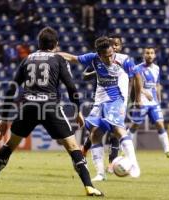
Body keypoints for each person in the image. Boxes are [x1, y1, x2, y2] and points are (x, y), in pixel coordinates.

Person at [0, 27, 103, 197]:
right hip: (50, 107)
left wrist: (4, 118)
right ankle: (89, 186)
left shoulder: (28, 59)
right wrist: (77, 111)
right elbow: (71, 87)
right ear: (56, 45)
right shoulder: (58, 59)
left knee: (9, 146)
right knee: (73, 147)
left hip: (28, 107)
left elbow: (11, 88)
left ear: (39, 44)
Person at [58, 36, 142, 181]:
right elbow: (72, 58)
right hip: (100, 101)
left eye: (111, 55)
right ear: (99, 54)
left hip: (117, 99)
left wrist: (138, 98)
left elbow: (138, 76)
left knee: (117, 129)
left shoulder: (124, 60)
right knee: (95, 134)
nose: (109, 59)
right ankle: (100, 174)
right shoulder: (92, 58)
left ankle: (134, 164)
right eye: (106, 57)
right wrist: (50, 54)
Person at [81, 34, 127, 175]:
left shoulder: (124, 61)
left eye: (116, 44)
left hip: (120, 100)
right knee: (96, 131)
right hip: (101, 100)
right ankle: (85, 150)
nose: (114, 47)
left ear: (120, 46)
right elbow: (84, 75)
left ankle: (111, 164)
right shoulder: (99, 61)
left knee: (115, 132)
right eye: (112, 44)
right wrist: (96, 72)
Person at [127, 47, 169, 158]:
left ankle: (167, 151)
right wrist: (144, 93)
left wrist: (159, 98)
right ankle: (124, 149)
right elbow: (135, 85)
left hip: (154, 103)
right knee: (135, 125)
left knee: (160, 124)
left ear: (154, 55)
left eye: (152, 53)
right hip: (142, 102)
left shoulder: (157, 68)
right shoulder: (137, 68)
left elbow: (157, 84)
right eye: (147, 53)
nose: (149, 55)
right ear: (143, 55)